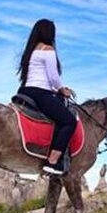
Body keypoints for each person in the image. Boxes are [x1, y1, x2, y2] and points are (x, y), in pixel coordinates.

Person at [17, 19, 76, 176]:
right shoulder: (48, 49)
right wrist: (63, 90)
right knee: (69, 121)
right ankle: (53, 162)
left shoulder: (31, 51)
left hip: (25, 90)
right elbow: (53, 77)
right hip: (40, 93)